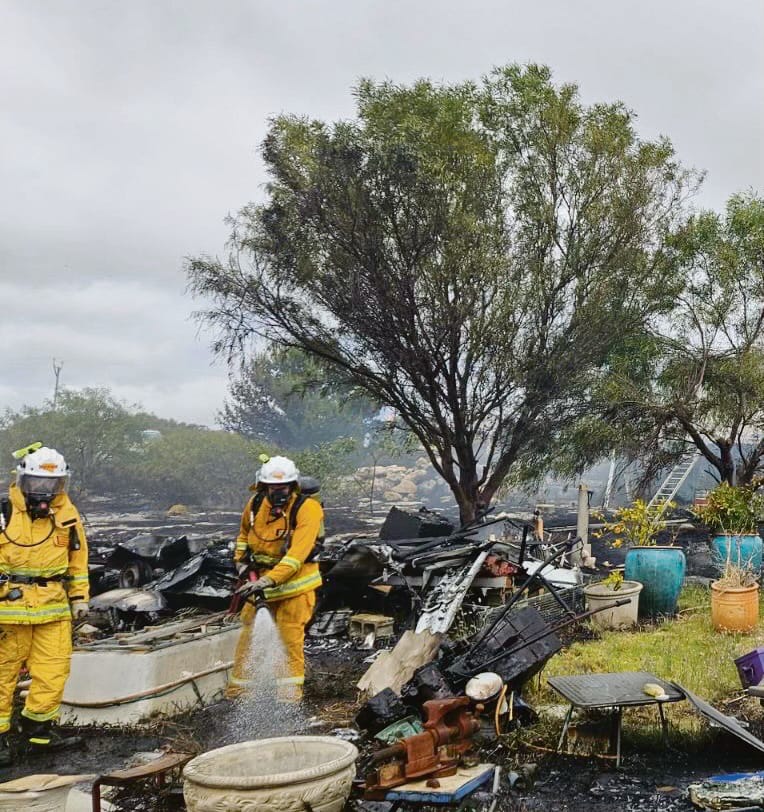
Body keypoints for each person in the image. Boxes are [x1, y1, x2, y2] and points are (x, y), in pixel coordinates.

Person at [0, 446, 89, 767]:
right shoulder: (4, 511)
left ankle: (39, 730)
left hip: (53, 609)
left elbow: (78, 561)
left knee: (53, 671)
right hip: (8, 612)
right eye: (37, 482)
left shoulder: (66, 514)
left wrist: (80, 599)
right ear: (22, 478)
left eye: (52, 485)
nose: (44, 491)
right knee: (2, 674)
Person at [227, 455, 322, 702]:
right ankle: (239, 695)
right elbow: (243, 535)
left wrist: (267, 581)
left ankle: (288, 700)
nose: (278, 493)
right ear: (263, 487)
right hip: (259, 584)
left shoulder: (307, 509)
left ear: (293, 486)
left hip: (295, 589)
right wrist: (240, 562)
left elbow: (296, 556)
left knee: (289, 642)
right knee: (248, 639)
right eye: (273, 488)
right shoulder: (256, 504)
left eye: (283, 488)